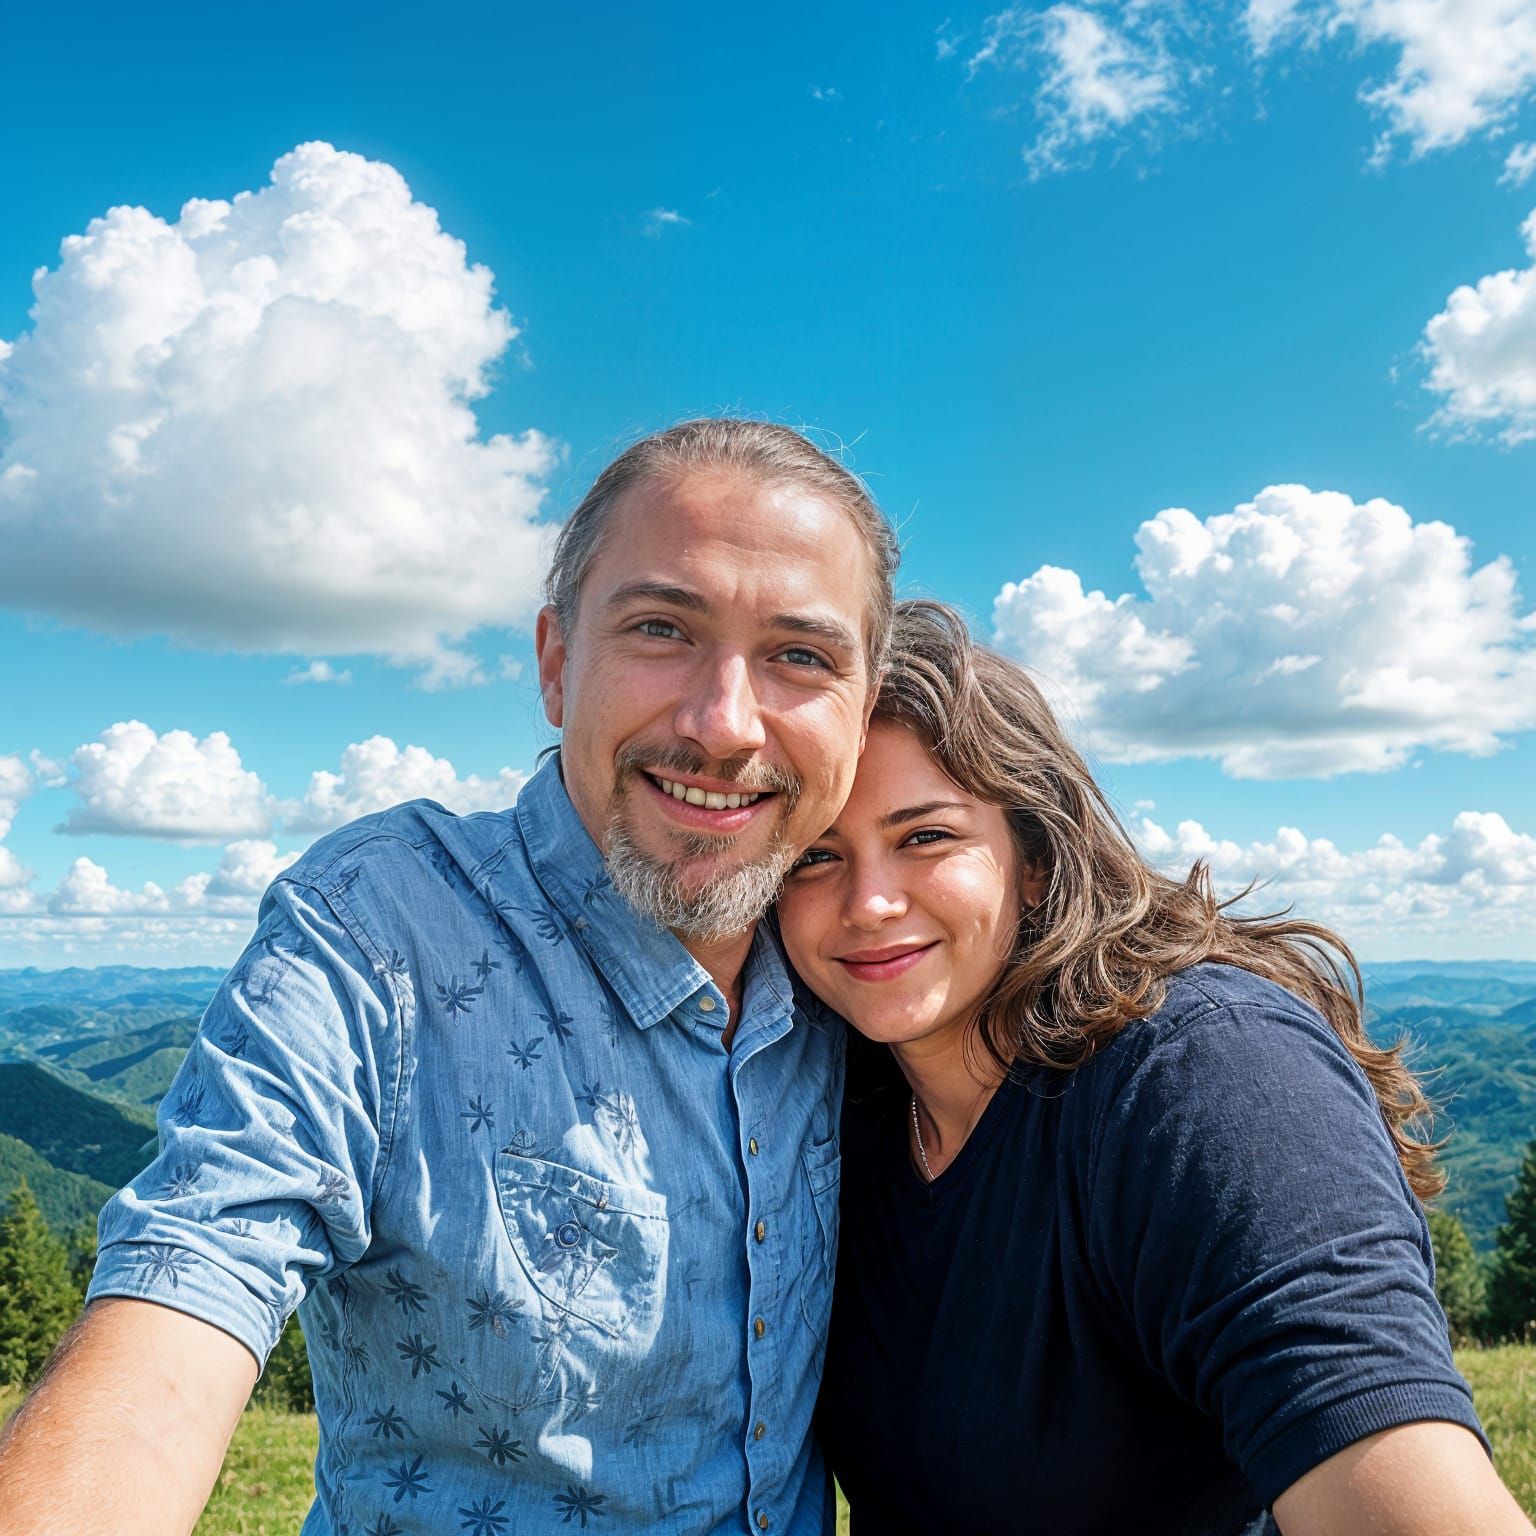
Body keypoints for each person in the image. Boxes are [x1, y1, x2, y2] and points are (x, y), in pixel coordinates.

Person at [0, 419, 898, 1536]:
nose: (724, 724)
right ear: (557, 664)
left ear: (863, 709)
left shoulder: (864, 961)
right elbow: (192, 1274)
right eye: (662, 628)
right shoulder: (382, 929)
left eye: (800, 656)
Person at [776, 599, 1533, 1536]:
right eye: (813, 856)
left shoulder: (1203, 1076)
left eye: (926, 836)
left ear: (1039, 858)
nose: (870, 901)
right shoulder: (827, 1103)